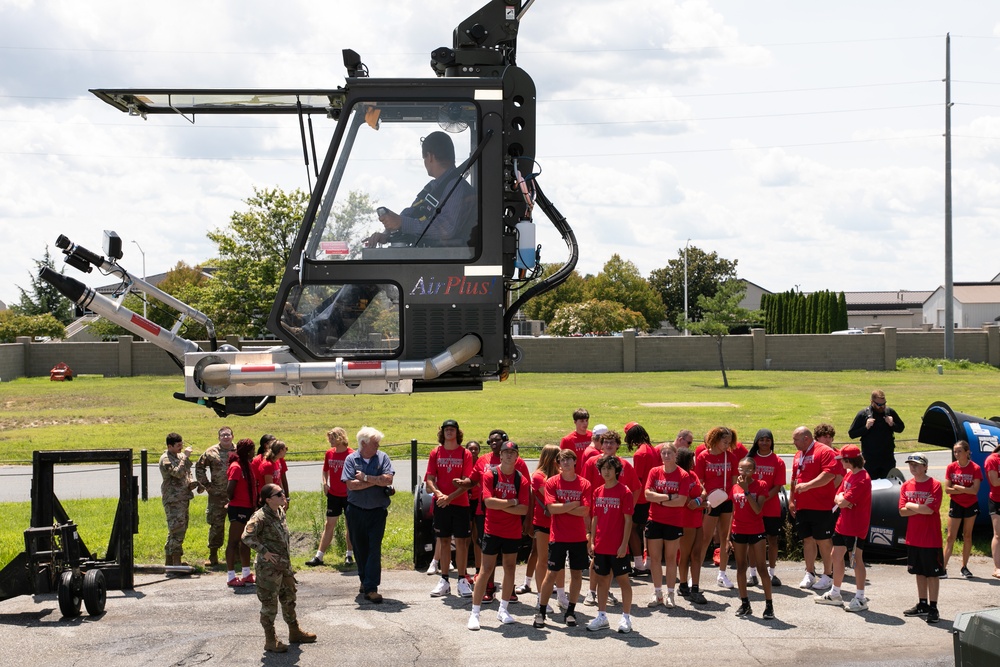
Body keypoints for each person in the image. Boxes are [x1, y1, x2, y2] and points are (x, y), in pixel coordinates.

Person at [367, 131, 476, 248]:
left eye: (424, 158)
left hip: (449, 261)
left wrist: (401, 222)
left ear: (430, 157)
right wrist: (387, 234)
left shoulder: (456, 187)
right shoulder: (434, 188)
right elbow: (414, 212)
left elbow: (447, 229)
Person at [242, 483, 317, 653]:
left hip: (284, 566)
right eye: (279, 493)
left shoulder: (280, 511)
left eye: (282, 492)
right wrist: (264, 552)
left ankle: (294, 632)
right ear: (268, 499)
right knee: (269, 604)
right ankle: (270, 640)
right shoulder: (260, 517)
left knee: (289, 598)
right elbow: (246, 537)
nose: (283, 495)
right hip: (268, 569)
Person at [467, 441, 530, 630]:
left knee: (510, 568)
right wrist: (512, 501)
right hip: (492, 530)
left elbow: (524, 509)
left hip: (511, 532)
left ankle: (503, 609)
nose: (509, 455)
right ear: (500, 455)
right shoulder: (490, 475)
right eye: (506, 452)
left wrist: (502, 504)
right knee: (485, 570)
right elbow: (488, 503)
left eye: (513, 452)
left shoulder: (521, 480)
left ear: (517, 456)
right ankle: (475, 613)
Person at [534, 448, 591, 629]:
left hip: (578, 536)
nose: (565, 463)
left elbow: (585, 510)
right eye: (561, 460)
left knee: (576, 574)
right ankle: (541, 611)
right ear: (558, 463)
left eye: (568, 459)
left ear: (575, 462)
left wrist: (564, 506)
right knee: (551, 574)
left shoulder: (584, 484)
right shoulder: (552, 482)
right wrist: (573, 504)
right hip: (558, 536)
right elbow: (551, 509)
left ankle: (571, 611)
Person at [582, 429, 640, 606]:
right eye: (605, 442)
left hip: (616, 518)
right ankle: (592, 592)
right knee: (595, 558)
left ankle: (604, 592)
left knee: (612, 558)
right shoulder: (592, 462)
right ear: (600, 444)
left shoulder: (624, 465)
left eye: (612, 443)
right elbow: (584, 487)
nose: (608, 445)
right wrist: (586, 517)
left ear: (617, 445)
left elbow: (636, 488)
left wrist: (626, 509)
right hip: (596, 516)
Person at [815, 444, 871, 612]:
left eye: (842, 460)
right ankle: (835, 593)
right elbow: (837, 498)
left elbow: (843, 501)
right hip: (842, 524)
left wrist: (843, 500)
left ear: (849, 460)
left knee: (856, 561)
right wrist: (842, 500)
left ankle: (860, 598)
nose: (840, 463)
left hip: (856, 527)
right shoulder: (849, 475)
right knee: (836, 555)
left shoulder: (862, 478)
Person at [343, 426, 395, 604]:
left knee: (374, 548)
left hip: (377, 512)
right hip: (356, 511)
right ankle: (364, 580)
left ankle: (372, 587)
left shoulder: (383, 457)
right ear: (363, 444)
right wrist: (376, 481)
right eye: (375, 443)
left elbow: (388, 480)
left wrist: (365, 478)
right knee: (359, 548)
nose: (378, 446)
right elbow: (351, 485)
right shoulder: (351, 459)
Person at [426, 419, 475, 599]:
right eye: (446, 429)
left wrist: (450, 498)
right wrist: (440, 495)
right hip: (441, 504)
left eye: (452, 429)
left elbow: (467, 482)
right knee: (444, 541)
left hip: (460, 504)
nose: (449, 432)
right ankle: (444, 580)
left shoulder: (465, 454)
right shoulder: (435, 452)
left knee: (462, 542)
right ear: (442, 432)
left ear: (457, 432)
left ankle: (462, 579)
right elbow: (429, 479)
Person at [587, 455, 635, 634]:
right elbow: (595, 518)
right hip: (601, 545)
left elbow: (628, 521)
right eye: (603, 468)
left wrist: (624, 545)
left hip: (618, 546)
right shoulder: (597, 491)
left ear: (617, 471)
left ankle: (626, 617)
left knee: (623, 581)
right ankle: (601, 616)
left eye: (609, 468)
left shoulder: (625, 491)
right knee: (602, 580)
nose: (606, 471)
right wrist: (591, 540)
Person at [644, 442, 694, 609]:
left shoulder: (683, 475)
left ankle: (670, 593)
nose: (666, 456)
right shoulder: (654, 471)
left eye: (669, 453)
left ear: (675, 455)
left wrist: (661, 500)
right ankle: (657, 592)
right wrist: (669, 497)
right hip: (654, 519)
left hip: (673, 522)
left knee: (671, 558)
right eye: (664, 453)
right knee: (655, 559)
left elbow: (681, 501)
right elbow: (647, 495)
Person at [789, 425, 839, 591]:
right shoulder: (798, 454)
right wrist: (791, 500)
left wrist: (808, 486)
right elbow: (794, 479)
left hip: (821, 505)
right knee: (807, 540)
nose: (793, 442)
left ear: (806, 438)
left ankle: (828, 575)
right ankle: (809, 573)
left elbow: (829, 475)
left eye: (796, 439)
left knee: (824, 541)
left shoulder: (824, 451)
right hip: (803, 505)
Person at [899, 453, 945, 624]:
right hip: (914, 538)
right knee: (918, 572)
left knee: (932, 574)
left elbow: (930, 510)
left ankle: (933, 607)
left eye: (917, 464)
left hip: (930, 538)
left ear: (925, 466)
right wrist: (919, 506)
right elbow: (902, 511)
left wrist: (911, 505)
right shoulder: (906, 486)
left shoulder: (934, 485)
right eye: (911, 464)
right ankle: (922, 604)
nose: (913, 467)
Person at [695, 426, 740, 590]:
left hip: (727, 501)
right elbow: (698, 479)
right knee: (705, 538)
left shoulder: (732, 457)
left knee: (725, 538)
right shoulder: (703, 457)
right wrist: (703, 491)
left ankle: (722, 573)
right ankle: (696, 576)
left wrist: (734, 499)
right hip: (711, 502)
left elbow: (735, 483)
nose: (727, 444)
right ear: (715, 439)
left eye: (729, 441)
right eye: (724, 440)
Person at [730, 457, 774, 620]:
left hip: (756, 530)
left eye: (748, 469)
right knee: (741, 567)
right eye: (741, 469)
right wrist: (728, 535)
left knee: (762, 568)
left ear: (754, 471)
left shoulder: (761, 485)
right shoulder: (735, 487)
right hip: (738, 529)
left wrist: (747, 490)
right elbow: (733, 511)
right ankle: (745, 603)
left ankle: (769, 604)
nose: (744, 472)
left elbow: (757, 509)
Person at [306, 427, 355, 567]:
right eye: (329, 438)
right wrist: (325, 483)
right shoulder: (329, 453)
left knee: (350, 525)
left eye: (332, 438)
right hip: (333, 494)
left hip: (348, 494)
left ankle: (349, 555)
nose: (330, 441)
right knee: (329, 525)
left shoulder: (351, 454)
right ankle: (319, 556)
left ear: (340, 438)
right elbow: (325, 470)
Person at [527, 444, 564, 611]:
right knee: (543, 560)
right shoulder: (538, 476)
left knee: (560, 561)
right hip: (542, 522)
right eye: (559, 458)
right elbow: (552, 496)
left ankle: (562, 595)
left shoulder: (559, 475)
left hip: (559, 523)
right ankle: (541, 597)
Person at [748, 428, 786, 587]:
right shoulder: (750, 460)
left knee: (772, 540)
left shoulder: (778, 461)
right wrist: (755, 502)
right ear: (757, 441)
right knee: (752, 541)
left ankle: (772, 573)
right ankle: (752, 574)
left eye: (767, 440)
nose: (764, 442)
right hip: (751, 507)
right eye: (761, 439)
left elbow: (777, 487)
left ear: (772, 442)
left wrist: (762, 500)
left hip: (770, 507)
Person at [195, 425, 236, 568]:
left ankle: (236, 554)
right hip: (217, 495)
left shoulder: (238, 451)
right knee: (216, 525)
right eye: (223, 435)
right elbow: (199, 467)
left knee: (237, 525)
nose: (226, 437)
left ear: (232, 436)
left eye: (228, 435)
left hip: (236, 495)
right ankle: (213, 554)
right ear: (219, 438)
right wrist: (207, 485)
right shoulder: (211, 452)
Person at [943, 439, 982, 578]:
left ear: (967, 452)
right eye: (955, 451)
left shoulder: (975, 468)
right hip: (956, 504)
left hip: (970, 505)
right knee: (950, 537)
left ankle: (964, 567)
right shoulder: (951, 467)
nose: (956, 454)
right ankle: (942, 567)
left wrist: (958, 487)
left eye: (959, 451)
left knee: (967, 535)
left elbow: (975, 491)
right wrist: (966, 489)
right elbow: (947, 489)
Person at [848, 389, 905, 479]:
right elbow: (852, 433)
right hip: (870, 459)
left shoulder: (889, 412)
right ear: (872, 402)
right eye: (878, 404)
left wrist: (892, 424)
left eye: (884, 404)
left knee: (889, 485)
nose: (882, 407)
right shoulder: (864, 414)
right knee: (870, 486)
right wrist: (865, 427)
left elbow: (901, 428)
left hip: (887, 458)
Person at [675, 447, 708, 605]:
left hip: (697, 519)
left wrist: (699, 501)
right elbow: (687, 503)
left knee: (697, 554)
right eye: (691, 459)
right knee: (685, 555)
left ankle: (695, 586)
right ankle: (683, 585)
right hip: (685, 520)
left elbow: (703, 490)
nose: (694, 462)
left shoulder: (693, 474)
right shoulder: (680, 476)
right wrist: (698, 502)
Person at [625, 422, 658, 576]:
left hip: (640, 499)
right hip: (650, 495)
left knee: (631, 529)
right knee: (648, 531)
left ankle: (639, 564)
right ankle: (649, 563)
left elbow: (636, 480)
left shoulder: (640, 453)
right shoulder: (651, 449)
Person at [159, 432, 196, 567]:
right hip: (173, 499)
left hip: (183, 497)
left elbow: (186, 472)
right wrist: (185, 457)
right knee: (177, 530)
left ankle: (170, 561)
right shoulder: (166, 459)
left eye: (182, 445)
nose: (181, 448)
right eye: (178, 446)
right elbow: (177, 473)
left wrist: (191, 482)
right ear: (170, 446)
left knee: (179, 528)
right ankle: (176, 562)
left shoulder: (179, 456)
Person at [226, 438, 256, 587]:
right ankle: (231, 576)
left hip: (247, 508)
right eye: (252, 449)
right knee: (233, 542)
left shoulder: (247, 465)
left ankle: (246, 574)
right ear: (246, 451)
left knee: (246, 541)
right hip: (238, 508)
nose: (254, 452)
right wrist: (234, 502)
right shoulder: (236, 467)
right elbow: (229, 490)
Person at [560, 408, 593, 476]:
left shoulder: (593, 437)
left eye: (586, 420)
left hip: (591, 475)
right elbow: (561, 460)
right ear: (575, 422)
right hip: (575, 476)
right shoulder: (567, 440)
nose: (585, 423)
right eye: (582, 421)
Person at [987, 446, 1000, 579]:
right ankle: (997, 567)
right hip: (997, 500)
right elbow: (995, 482)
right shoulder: (992, 459)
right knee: (998, 534)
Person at [251, 434, 277, 503]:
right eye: (274, 442)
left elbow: (281, 478)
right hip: (265, 496)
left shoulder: (278, 459)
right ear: (266, 445)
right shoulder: (258, 460)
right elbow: (254, 480)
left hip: (277, 494)